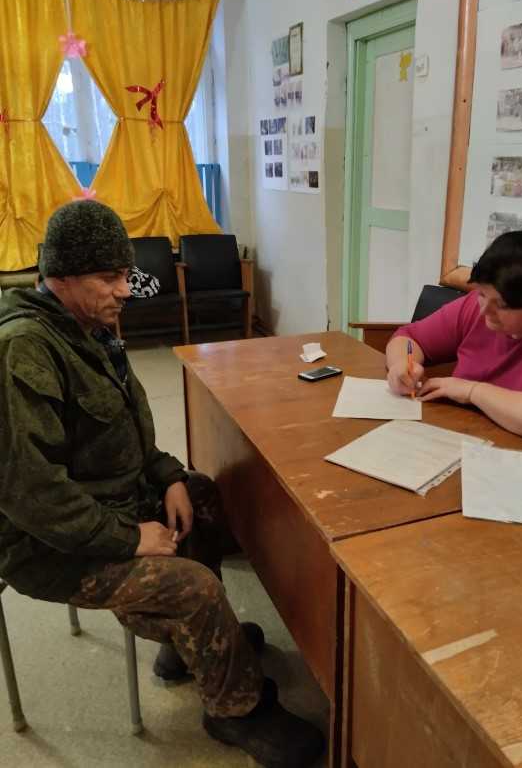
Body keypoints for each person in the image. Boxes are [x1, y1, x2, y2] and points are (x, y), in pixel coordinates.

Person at [0, 200, 324, 768]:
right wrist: (129, 539)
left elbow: (125, 429)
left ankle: (190, 646)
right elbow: (33, 496)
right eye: (110, 278)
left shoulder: (88, 327)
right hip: (48, 545)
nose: (125, 290)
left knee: (202, 496)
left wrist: (169, 476)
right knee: (193, 587)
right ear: (61, 276)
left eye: (125, 275)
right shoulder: (24, 349)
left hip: (107, 503)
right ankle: (235, 709)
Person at [386, 224, 522, 463]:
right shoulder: (485, 302)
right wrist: (400, 365)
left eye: (503, 305)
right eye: (481, 294)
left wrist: (471, 391)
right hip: (472, 443)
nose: (484, 310)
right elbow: (409, 337)